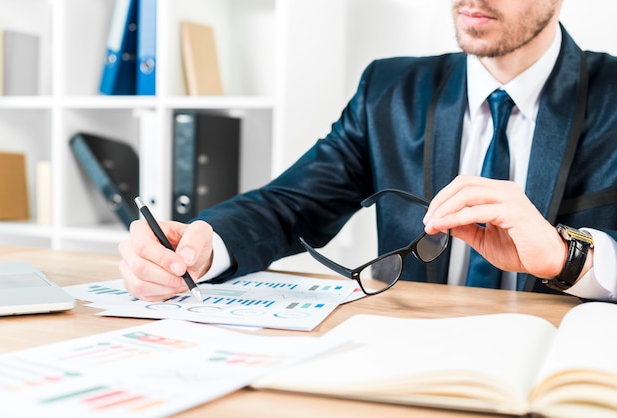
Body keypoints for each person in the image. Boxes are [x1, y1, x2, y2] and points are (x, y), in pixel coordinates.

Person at [119, 0, 617, 302]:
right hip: (409, 362)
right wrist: (204, 242)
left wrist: (566, 256)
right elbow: (293, 203)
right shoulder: (389, 90)